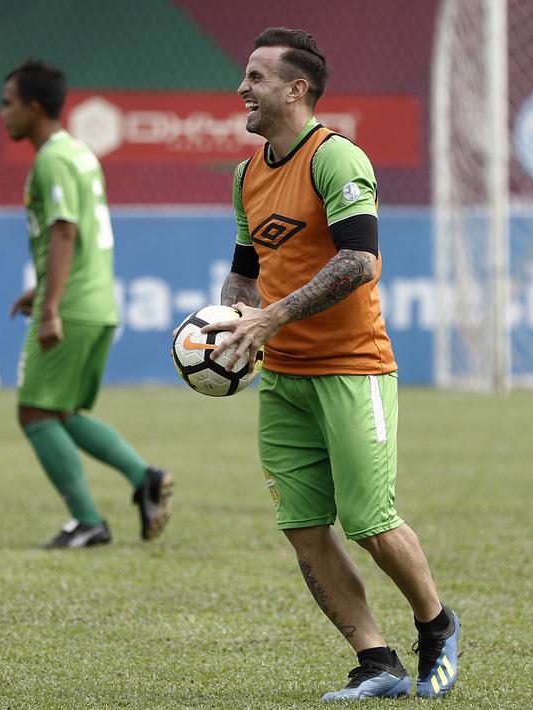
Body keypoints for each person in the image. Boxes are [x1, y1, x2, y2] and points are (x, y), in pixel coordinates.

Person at [204, 28, 461, 700]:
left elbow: (358, 262)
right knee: (303, 529)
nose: (242, 89)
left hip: (353, 368)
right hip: (283, 379)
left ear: (297, 89)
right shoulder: (246, 174)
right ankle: (376, 661)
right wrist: (230, 324)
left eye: (256, 77)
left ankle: (435, 625)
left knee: (369, 521)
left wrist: (270, 316)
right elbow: (243, 273)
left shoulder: (336, 158)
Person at [0, 59, 172, 549]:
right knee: (64, 412)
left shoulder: (51, 160)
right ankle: (145, 477)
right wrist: (43, 290)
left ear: (34, 107)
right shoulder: (80, 153)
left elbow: (66, 230)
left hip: (71, 306)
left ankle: (87, 521)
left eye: (8, 103)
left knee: (34, 413)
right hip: (97, 301)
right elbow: (82, 233)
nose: (2, 113)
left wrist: (50, 306)